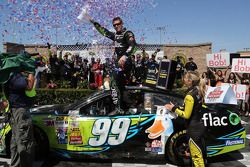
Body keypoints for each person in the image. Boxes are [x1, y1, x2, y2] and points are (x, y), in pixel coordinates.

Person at [87, 16, 137, 110]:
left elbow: (133, 46)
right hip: (118, 64)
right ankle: (123, 107)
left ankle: (121, 108)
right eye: (114, 25)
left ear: (122, 24)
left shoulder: (128, 33)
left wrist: (124, 57)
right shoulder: (115, 35)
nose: (116, 26)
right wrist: (93, 21)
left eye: (118, 24)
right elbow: (104, 32)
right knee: (117, 85)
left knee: (114, 81)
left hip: (126, 63)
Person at [165, 71, 207, 167]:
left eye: (184, 78)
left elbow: (186, 115)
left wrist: (173, 109)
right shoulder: (198, 90)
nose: (183, 80)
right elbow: (191, 108)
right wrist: (176, 107)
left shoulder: (190, 95)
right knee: (199, 154)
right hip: (200, 125)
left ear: (189, 81)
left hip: (193, 129)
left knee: (197, 157)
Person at [3, 72, 35, 167]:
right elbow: (29, 86)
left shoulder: (10, 76)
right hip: (20, 112)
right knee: (25, 141)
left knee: (16, 142)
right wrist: (31, 73)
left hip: (15, 111)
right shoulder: (16, 77)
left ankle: (15, 165)